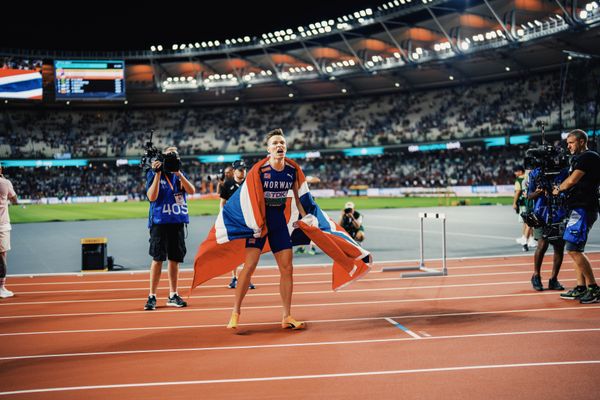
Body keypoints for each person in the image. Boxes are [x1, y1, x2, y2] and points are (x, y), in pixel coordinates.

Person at [227, 128, 307, 330]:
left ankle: (286, 316)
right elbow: (247, 199)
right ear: (268, 149)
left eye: (282, 143)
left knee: (287, 268)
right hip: (259, 222)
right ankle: (235, 312)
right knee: (250, 265)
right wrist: (254, 223)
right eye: (275, 143)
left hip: (278, 221)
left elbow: (299, 199)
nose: (279, 146)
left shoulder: (292, 170)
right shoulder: (259, 170)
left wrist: (309, 220)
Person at [144, 147, 196, 310]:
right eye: (169, 155)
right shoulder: (153, 173)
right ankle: (152, 295)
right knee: (158, 258)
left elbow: (191, 191)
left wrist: (179, 173)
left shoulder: (178, 175)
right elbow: (151, 197)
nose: (173, 158)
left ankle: (173, 294)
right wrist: (158, 174)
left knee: (174, 259)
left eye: (175, 155)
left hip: (177, 221)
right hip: (160, 222)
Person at [553, 129, 600, 303]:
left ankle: (594, 288)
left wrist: (558, 189)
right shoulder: (579, 159)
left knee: (573, 249)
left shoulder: (589, 157)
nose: (568, 146)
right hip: (578, 208)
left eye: (571, 142)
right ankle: (581, 287)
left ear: (581, 141)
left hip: (584, 208)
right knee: (575, 249)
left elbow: (572, 181)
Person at [527, 165, 568, 291]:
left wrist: (559, 191)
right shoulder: (535, 173)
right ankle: (536, 276)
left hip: (559, 213)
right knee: (542, 245)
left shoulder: (563, 171)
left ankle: (554, 279)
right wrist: (538, 192)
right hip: (541, 214)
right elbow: (529, 196)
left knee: (559, 247)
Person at [219, 160, 255, 290]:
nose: (243, 171)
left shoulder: (250, 184)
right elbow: (222, 203)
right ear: (234, 171)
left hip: (248, 221)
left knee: (248, 251)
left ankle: (246, 278)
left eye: (244, 169)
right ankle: (234, 277)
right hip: (234, 222)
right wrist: (223, 218)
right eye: (240, 169)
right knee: (235, 250)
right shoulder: (227, 185)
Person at [0, 164, 18, 299]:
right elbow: (15, 200)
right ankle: (1, 287)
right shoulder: (5, 183)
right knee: (2, 257)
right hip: (2, 226)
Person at [513, 165, 534, 251]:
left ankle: (526, 239)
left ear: (520, 171)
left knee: (527, 221)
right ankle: (529, 239)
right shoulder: (530, 176)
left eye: (516, 171)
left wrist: (514, 202)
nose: (515, 173)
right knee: (529, 221)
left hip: (525, 202)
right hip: (532, 201)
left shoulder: (519, 180)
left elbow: (518, 192)